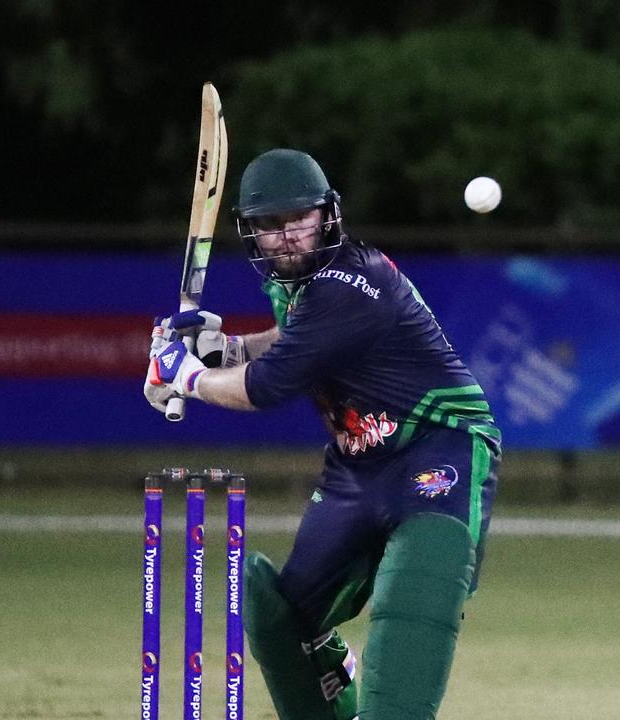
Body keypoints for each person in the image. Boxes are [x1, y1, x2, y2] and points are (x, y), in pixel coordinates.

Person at [144, 149, 501, 720]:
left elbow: (265, 386)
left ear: (327, 217)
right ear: (251, 231)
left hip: (438, 445)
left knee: (414, 600)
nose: (285, 237)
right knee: (284, 622)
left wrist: (186, 374)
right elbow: (292, 340)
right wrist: (225, 348)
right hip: (357, 469)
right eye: (268, 225)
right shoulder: (300, 286)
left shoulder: (350, 283)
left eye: (298, 220)